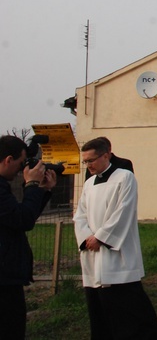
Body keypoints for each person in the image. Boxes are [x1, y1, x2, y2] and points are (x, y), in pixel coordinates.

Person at [73, 137, 157, 339]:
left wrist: (101, 237)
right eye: (85, 161)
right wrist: (87, 236)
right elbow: (79, 214)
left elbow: (123, 212)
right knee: (100, 314)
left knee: (130, 313)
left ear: (106, 155)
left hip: (117, 255)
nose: (88, 165)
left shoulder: (125, 177)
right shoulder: (88, 184)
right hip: (93, 255)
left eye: (91, 160)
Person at [0, 135, 56, 339]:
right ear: (8, 159)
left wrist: (43, 189)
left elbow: (22, 218)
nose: (20, 170)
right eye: (20, 163)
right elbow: (22, 219)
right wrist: (32, 185)